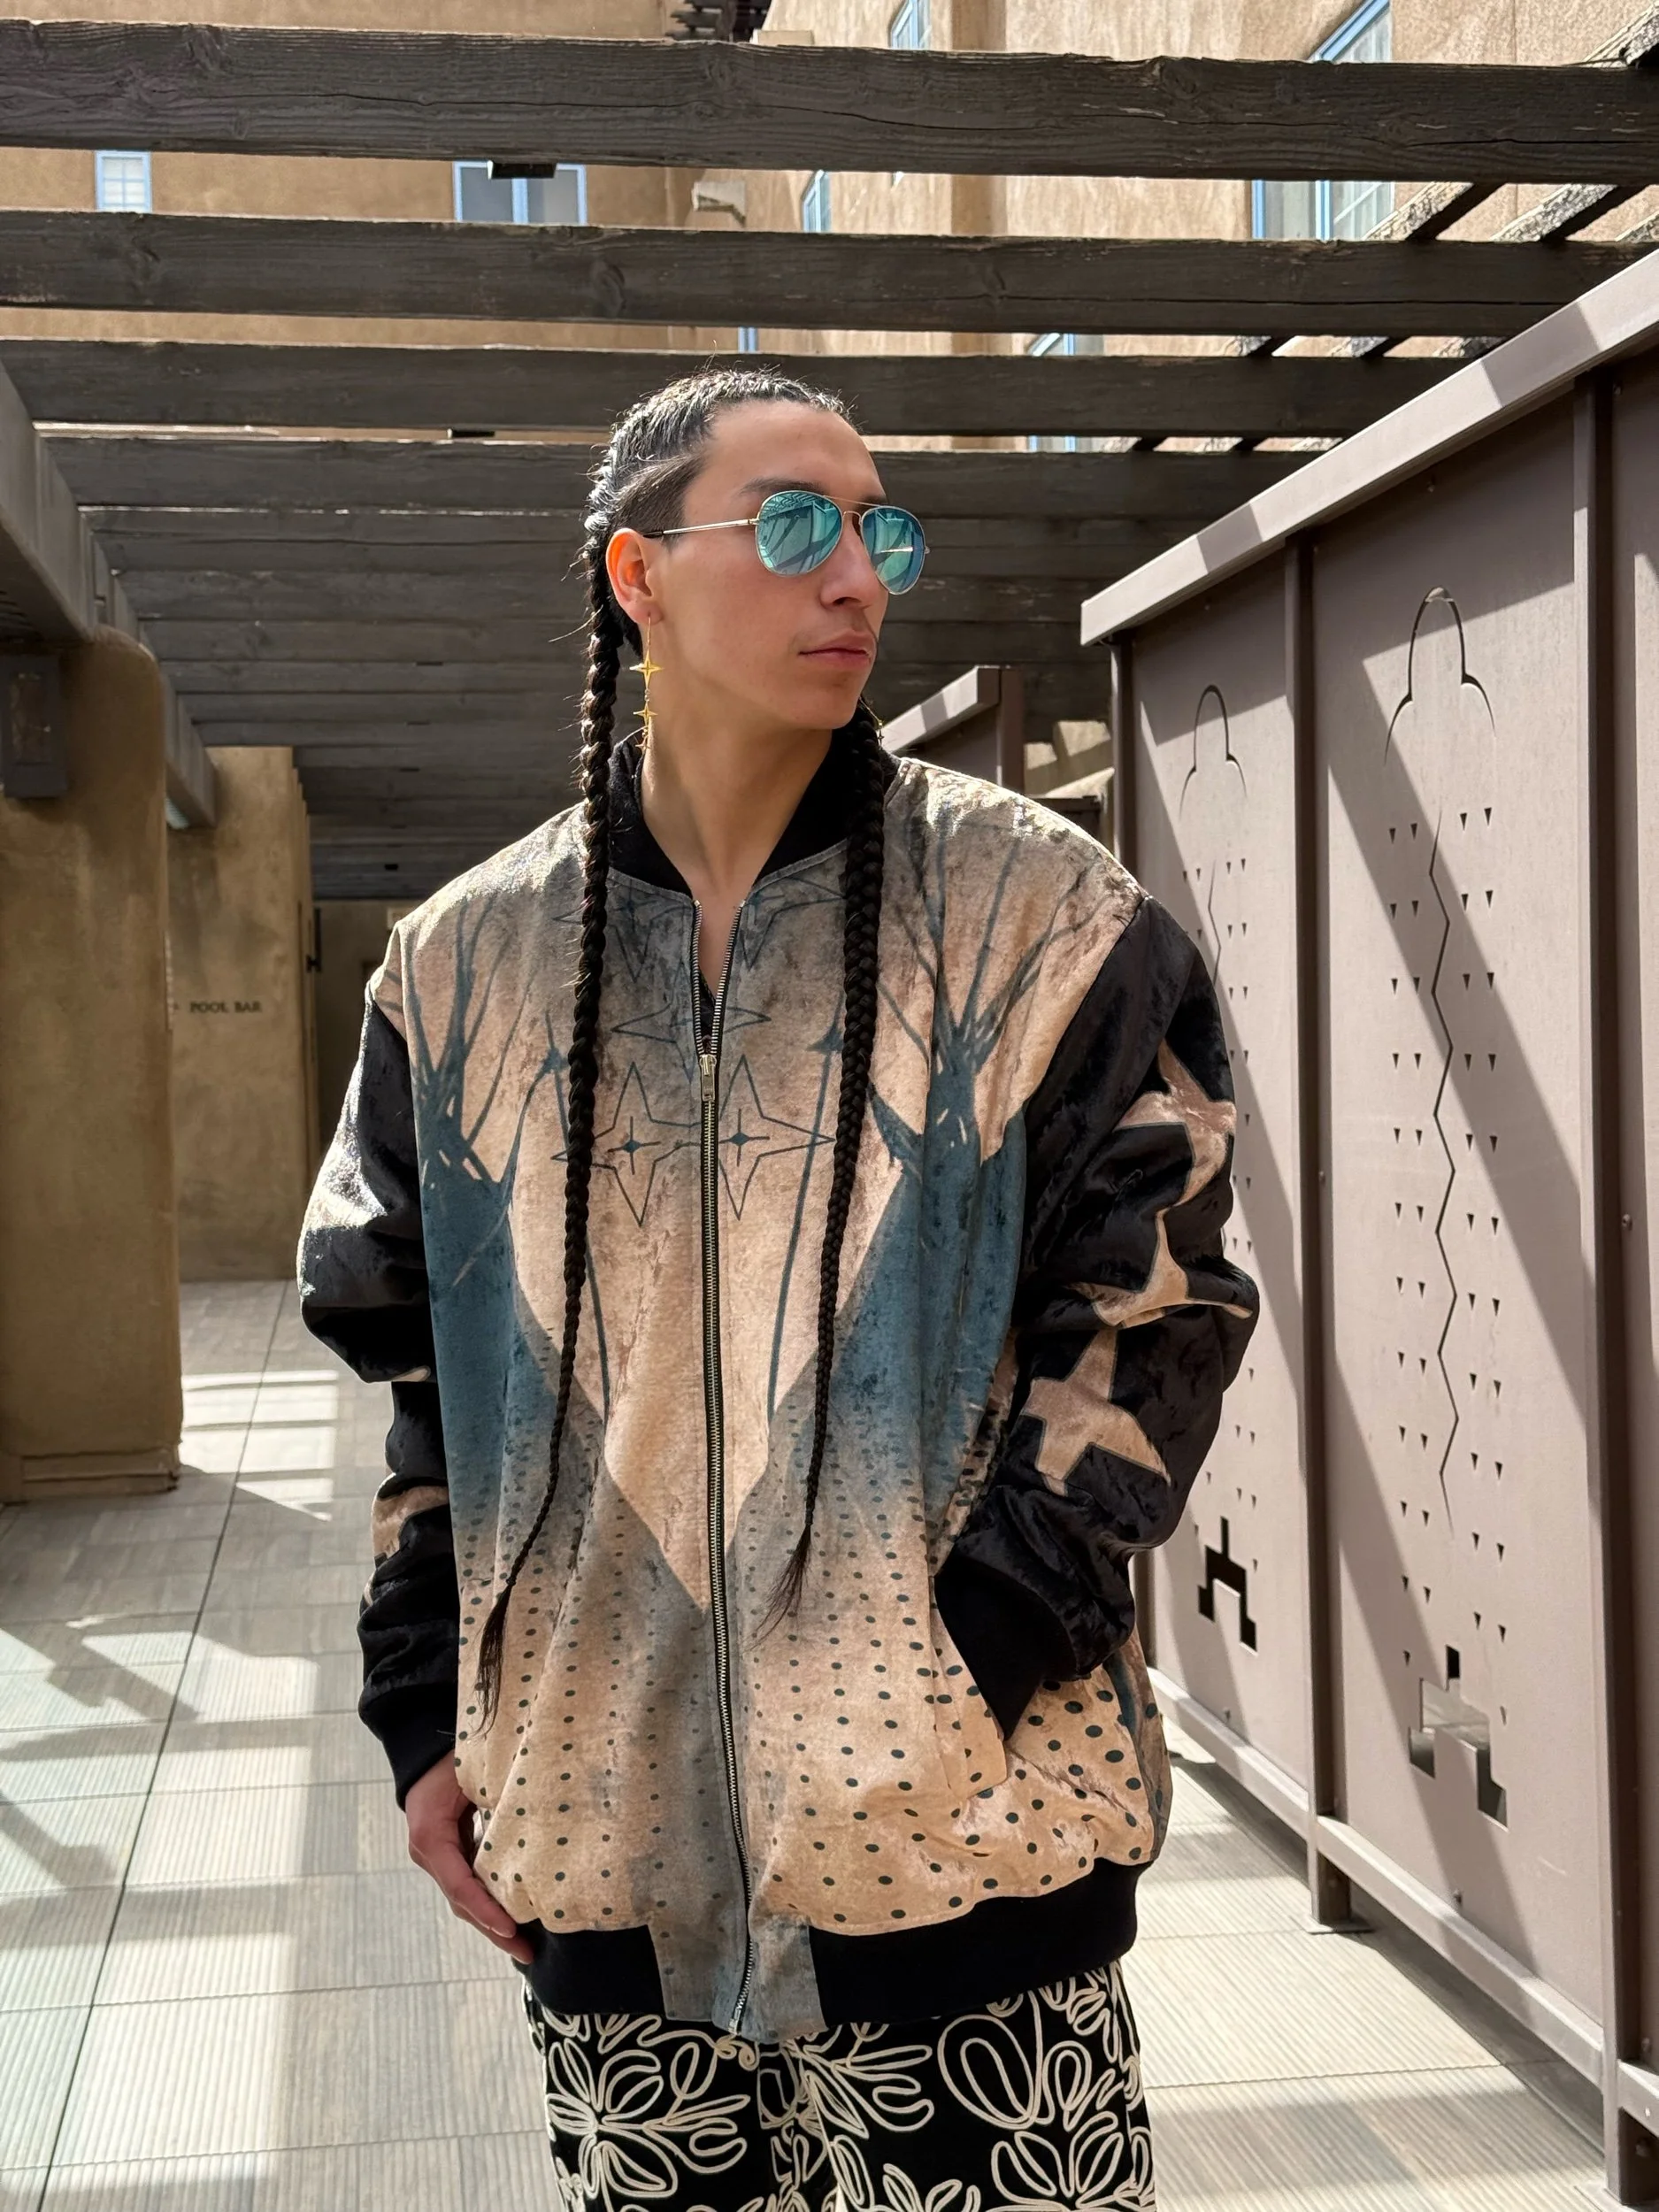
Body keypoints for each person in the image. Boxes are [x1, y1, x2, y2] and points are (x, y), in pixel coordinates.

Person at [297, 364, 1259, 2210]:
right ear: (636, 575)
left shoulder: (1038, 914)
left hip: (968, 1857)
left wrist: (967, 1653)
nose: (856, 576)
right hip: (604, 1845)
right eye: (796, 524)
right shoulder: (461, 965)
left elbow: (1159, 1310)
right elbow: (428, 1388)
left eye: (881, 530)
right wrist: (424, 1710)